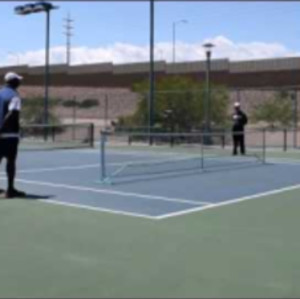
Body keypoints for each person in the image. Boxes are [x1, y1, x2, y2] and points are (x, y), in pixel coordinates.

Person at [0, 72, 26, 198]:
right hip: (9, 135)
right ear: (13, 81)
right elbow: (12, 113)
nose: (20, 82)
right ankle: (10, 190)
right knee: (11, 161)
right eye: (18, 80)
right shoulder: (15, 96)